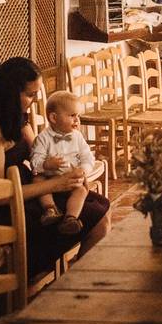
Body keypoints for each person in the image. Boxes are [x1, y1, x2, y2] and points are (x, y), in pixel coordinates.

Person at [0, 57, 110, 277]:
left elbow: (39, 152)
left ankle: (72, 284)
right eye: (30, 95)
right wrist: (54, 185)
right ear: (10, 93)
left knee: (99, 208)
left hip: (20, 194)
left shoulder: (11, 117)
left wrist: (70, 171)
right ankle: (69, 287)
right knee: (95, 219)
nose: (34, 101)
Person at [31, 90, 100, 235]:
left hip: (70, 179)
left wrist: (83, 170)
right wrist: (46, 164)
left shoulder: (78, 137)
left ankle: (70, 218)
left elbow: (88, 158)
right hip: (49, 179)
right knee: (37, 179)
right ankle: (50, 209)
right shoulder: (43, 138)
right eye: (72, 116)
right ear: (54, 118)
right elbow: (35, 162)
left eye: (78, 116)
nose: (77, 120)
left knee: (81, 190)